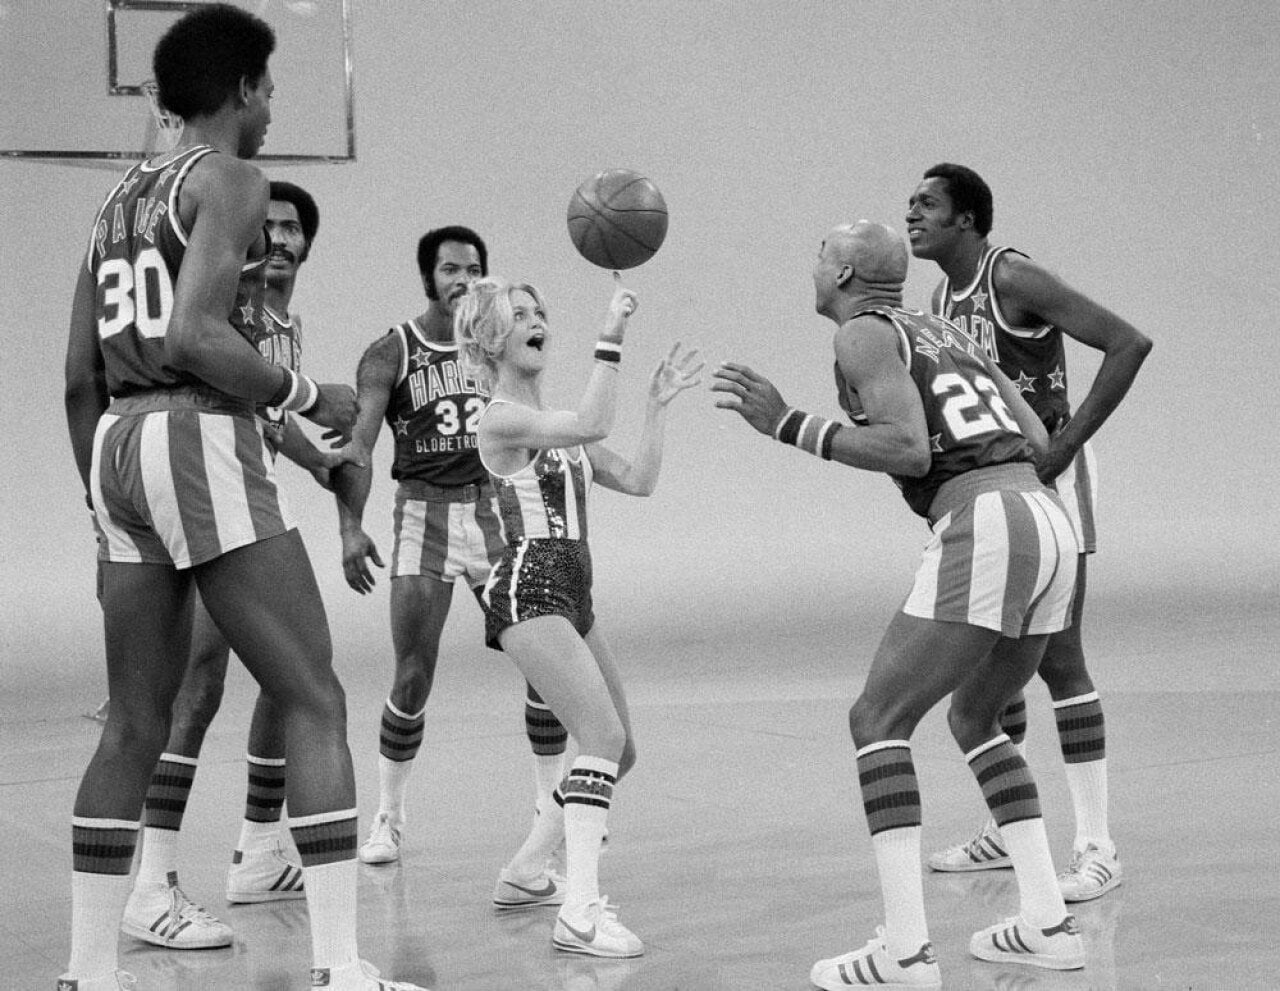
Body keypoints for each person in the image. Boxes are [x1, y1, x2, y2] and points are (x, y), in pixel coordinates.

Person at [61, 6, 425, 990]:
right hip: (195, 432)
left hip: (117, 444)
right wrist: (306, 395)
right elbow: (194, 336)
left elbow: (78, 379)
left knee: (133, 721)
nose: (271, 107)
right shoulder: (228, 178)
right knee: (313, 694)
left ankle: (88, 972)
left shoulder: (115, 205)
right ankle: (341, 965)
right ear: (240, 89)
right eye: (268, 88)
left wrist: (104, 507)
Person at [712, 221, 1085, 985]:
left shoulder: (862, 334)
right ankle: (1047, 922)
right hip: (1047, 517)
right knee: (976, 717)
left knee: (877, 719)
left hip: (987, 520)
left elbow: (909, 449)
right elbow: (1033, 432)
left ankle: (906, 951)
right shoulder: (946, 330)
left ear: (847, 274)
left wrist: (786, 423)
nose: (813, 264)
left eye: (821, 253)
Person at [906, 163, 1151, 900]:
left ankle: (1098, 846)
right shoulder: (941, 298)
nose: (911, 213)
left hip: (1051, 480)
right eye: (910, 203)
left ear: (967, 220)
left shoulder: (1011, 277)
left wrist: (1066, 444)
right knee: (991, 649)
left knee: (1060, 660)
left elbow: (1128, 342)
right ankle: (1005, 827)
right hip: (997, 490)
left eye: (927, 204)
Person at [118, 180, 340, 954]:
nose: (279, 237)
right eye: (268, 224)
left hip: (251, 491)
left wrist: (319, 461)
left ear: (306, 244)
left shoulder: (283, 324)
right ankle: (152, 882)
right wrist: (311, 407)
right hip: (208, 487)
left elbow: (265, 418)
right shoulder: (227, 307)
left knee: (290, 673)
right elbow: (215, 390)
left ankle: (257, 849)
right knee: (202, 684)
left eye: (292, 227)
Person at [454, 274, 700, 958]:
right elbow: (592, 420)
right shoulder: (500, 418)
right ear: (490, 338)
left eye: (539, 310)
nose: (536, 321)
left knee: (620, 749)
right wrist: (611, 334)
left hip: (574, 588)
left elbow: (640, 479)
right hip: (528, 584)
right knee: (600, 736)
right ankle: (580, 914)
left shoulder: (560, 426)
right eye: (518, 314)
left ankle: (527, 870)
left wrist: (655, 407)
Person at [330, 227, 573, 883]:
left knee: (545, 662)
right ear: (427, 278)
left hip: (495, 507)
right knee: (413, 674)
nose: (463, 279)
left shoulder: (501, 342)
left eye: (473, 268)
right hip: (423, 513)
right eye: (449, 269)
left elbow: (539, 423)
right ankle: (389, 814)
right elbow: (359, 446)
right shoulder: (393, 350)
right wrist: (350, 526)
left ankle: (551, 812)